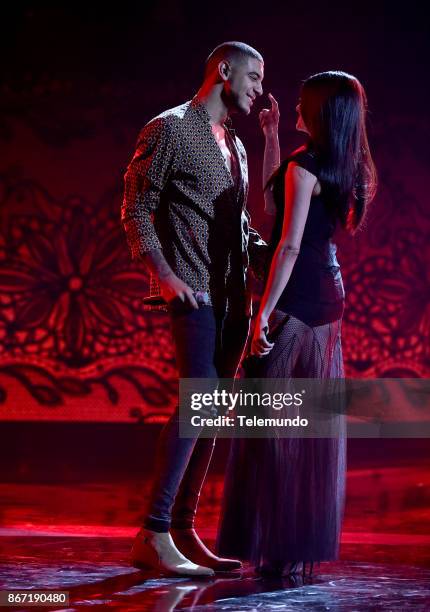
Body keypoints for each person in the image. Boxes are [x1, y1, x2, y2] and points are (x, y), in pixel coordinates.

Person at [217, 71, 377, 577]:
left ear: (320, 110)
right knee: (309, 433)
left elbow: (283, 243)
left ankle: (273, 545)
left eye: (303, 101)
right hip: (329, 301)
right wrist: (271, 137)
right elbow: (275, 206)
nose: (296, 106)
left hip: (295, 302)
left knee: (274, 429)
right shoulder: (343, 166)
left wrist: (262, 313)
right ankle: (293, 551)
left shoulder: (304, 167)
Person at [121, 41, 267, 576]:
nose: (258, 88)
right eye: (252, 77)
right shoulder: (170, 128)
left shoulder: (237, 145)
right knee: (199, 397)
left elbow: (243, 229)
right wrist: (164, 275)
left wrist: (287, 256)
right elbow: (135, 208)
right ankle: (153, 531)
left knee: (211, 411)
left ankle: (182, 529)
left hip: (233, 299)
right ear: (223, 72)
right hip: (194, 291)